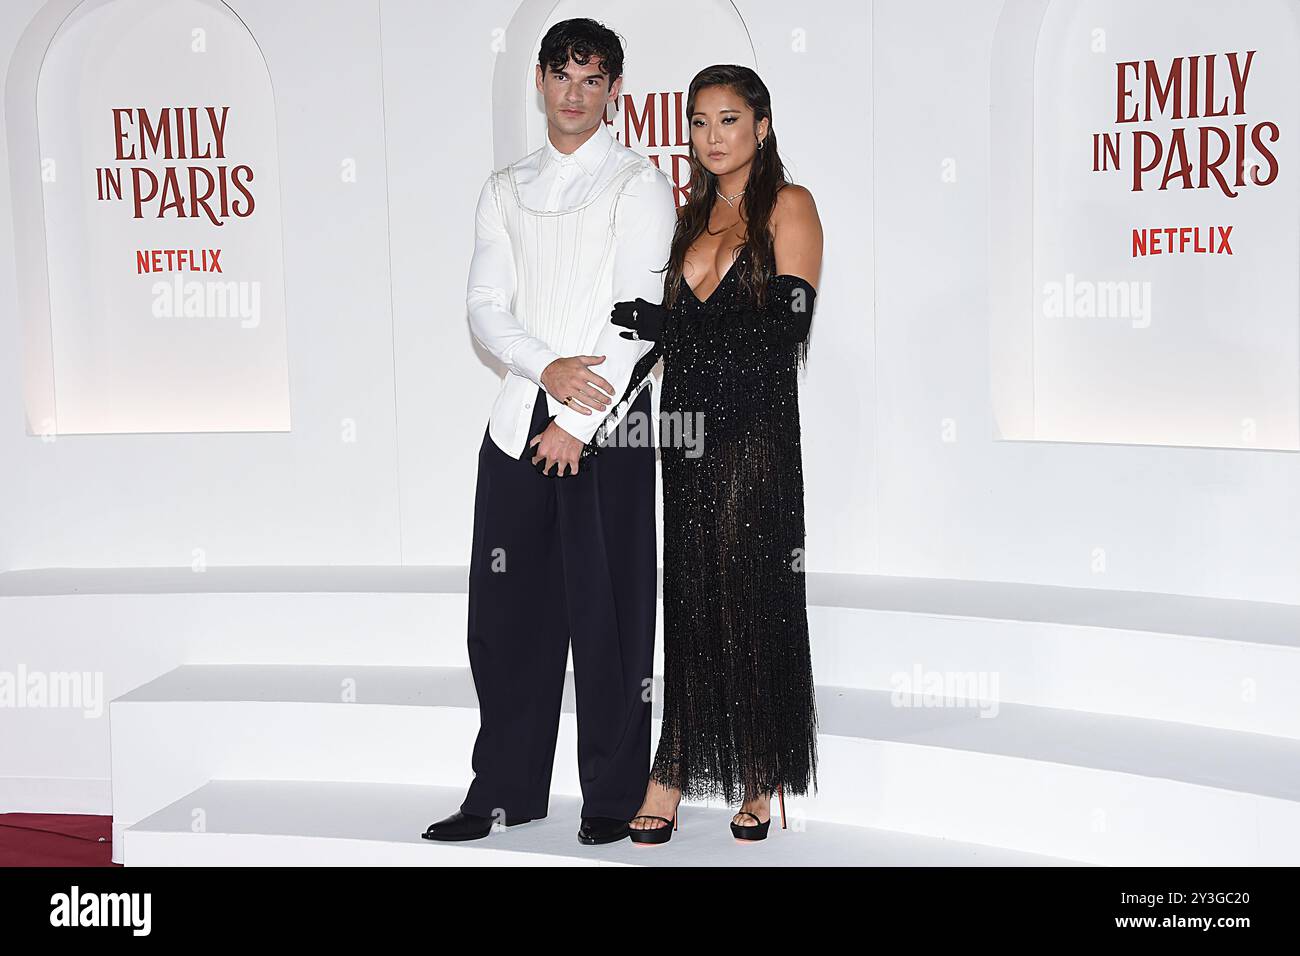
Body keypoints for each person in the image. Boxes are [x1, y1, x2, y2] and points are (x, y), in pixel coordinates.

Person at [421, 18, 676, 846]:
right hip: (516, 420)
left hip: (610, 424)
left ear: (613, 93)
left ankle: (610, 798)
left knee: (609, 614)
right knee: (506, 619)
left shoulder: (640, 184)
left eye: (593, 79)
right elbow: (483, 308)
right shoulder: (503, 186)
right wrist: (546, 372)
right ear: (539, 80)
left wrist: (575, 417)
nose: (575, 92)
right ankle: (502, 792)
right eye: (563, 75)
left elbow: (639, 321)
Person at [611, 64, 823, 844]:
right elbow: (669, 343)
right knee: (692, 591)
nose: (711, 137)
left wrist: (678, 330)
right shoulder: (690, 221)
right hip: (687, 430)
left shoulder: (789, 207)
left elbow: (785, 330)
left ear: (761, 127)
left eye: (728, 121)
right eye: (699, 122)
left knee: (748, 589)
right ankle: (673, 765)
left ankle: (760, 769)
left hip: (755, 433)